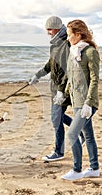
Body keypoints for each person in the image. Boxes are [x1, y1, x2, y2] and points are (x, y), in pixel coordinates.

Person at [29, 16, 73, 162]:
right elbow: (51, 64)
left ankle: (58, 152)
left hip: (63, 89)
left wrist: (61, 91)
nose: (48, 32)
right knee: (58, 117)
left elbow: (67, 70)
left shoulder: (65, 44)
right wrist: (38, 75)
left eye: (49, 29)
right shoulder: (55, 44)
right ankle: (82, 130)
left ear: (57, 28)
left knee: (56, 119)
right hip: (55, 89)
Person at [61, 19, 100, 180]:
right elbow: (72, 77)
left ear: (78, 34)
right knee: (88, 136)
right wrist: (63, 94)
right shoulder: (73, 51)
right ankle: (94, 168)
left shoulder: (90, 52)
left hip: (87, 103)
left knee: (71, 134)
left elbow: (95, 79)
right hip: (76, 101)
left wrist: (89, 103)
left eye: (70, 35)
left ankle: (76, 171)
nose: (68, 38)